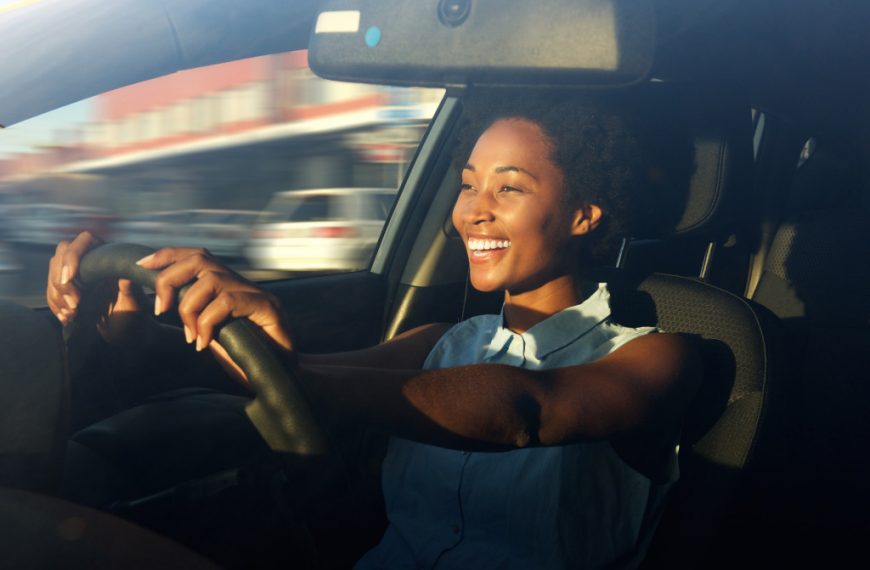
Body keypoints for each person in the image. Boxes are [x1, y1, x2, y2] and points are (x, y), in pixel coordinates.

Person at [46, 92, 699, 569]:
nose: (473, 211)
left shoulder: (655, 357)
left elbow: (529, 409)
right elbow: (297, 381)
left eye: (509, 189)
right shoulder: (446, 342)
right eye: (468, 185)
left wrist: (298, 376)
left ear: (584, 215)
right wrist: (141, 334)